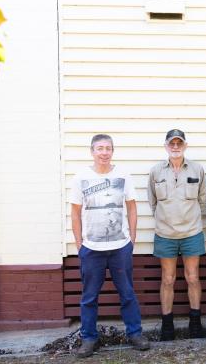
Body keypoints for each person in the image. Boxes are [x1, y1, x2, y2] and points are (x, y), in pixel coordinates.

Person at [69, 134, 150, 358]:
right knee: (89, 297)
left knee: (127, 294)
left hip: (120, 247)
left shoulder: (123, 175)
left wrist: (131, 238)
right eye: (100, 148)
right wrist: (79, 244)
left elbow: (132, 207)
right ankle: (88, 339)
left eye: (108, 148)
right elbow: (75, 212)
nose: (104, 152)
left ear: (112, 151)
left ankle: (135, 334)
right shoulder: (80, 177)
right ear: (92, 151)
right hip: (91, 249)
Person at [147, 129, 206, 341]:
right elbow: (152, 202)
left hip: (191, 232)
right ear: (165, 146)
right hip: (165, 233)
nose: (175, 147)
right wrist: (165, 219)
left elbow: (202, 200)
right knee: (168, 279)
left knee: (192, 277)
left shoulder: (197, 169)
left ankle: (195, 324)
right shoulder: (156, 171)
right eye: (171, 143)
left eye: (178, 143)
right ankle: (167, 326)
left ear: (185, 146)